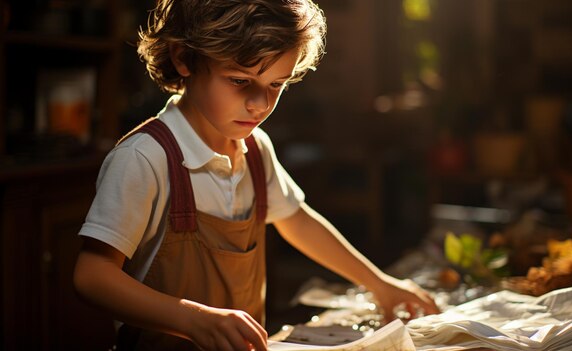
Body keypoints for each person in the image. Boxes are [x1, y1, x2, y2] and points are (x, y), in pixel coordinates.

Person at [73, 0, 440, 350]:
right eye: (239, 80)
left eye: (276, 85)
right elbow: (92, 275)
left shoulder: (254, 148)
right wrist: (194, 320)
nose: (260, 104)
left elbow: (297, 222)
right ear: (183, 58)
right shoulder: (144, 158)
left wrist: (380, 285)